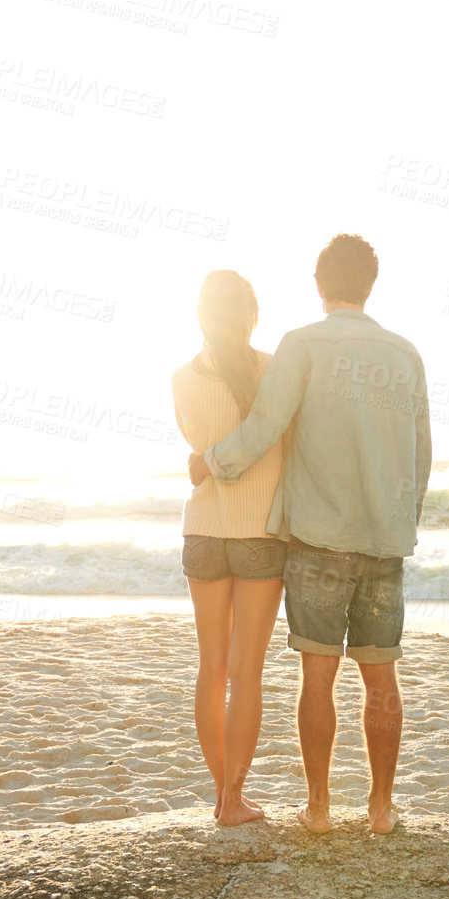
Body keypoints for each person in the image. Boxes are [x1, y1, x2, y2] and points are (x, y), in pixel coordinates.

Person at [189, 235, 431, 836]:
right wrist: (405, 519)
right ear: (371, 285)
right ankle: (380, 809)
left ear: (319, 285)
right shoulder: (404, 354)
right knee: (382, 678)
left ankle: (319, 809)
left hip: (317, 539)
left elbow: (266, 425)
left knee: (317, 676)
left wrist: (212, 462)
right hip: (383, 540)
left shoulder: (301, 345)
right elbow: (420, 452)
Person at [171, 270, 286, 827]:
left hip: (203, 529)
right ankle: (232, 798)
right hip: (260, 531)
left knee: (211, 668)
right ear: (252, 314)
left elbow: (197, 442)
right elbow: (277, 440)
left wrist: (210, 459)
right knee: (247, 670)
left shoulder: (181, 378)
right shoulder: (273, 372)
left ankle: (224, 796)